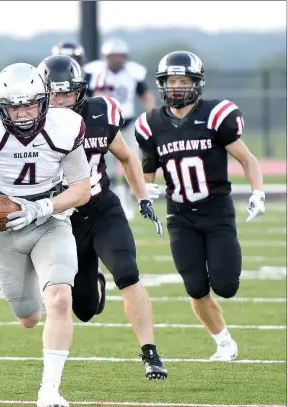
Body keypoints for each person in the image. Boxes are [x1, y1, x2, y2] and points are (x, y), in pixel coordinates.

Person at [0, 62, 91, 407]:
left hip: (50, 220)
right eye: (14, 106)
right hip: (3, 228)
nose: (22, 114)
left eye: (30, 104)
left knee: (60, 298)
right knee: (28, 318)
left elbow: (81, 189)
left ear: (45, 101)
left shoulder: (65, 127)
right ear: (0, 108)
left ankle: (49, 390)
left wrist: (43, 207)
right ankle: (34, 289)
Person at [38, 55, 167, 380]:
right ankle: (94, 283)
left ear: (80, 92)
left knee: (128, 272)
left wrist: (142, 197)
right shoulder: (31, 125)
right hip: (62, 220)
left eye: (67, 93)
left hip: (101, 209)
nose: (61, 100)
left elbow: (125, 156)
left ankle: (150, 352)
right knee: (83, 308)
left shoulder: (100, 112)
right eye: (54, 93)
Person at [135, 50, 266, 361]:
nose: (177, 87)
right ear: (162, 84)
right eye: (171, 81)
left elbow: (247, 159)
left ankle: (222, 330)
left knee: (226, 285)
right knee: (195, 286)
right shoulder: (152, 123)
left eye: (183, 80)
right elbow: (147, 169)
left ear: (196, 83)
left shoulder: (216, 115)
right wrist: (144, 188)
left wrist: (258, 191)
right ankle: (223, 342)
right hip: (180, 216)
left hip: (217, 212)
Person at [84, 38, 156, 220]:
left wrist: (152, 117)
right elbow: (98, 98)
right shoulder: (98, 72)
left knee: (131, 163)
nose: (117, 60)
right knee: (102, 166)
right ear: (105, 57)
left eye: (120, 56)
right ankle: (107, 201)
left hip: (127, 125)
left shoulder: (133, 73)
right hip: (105, 127)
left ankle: (130, 202)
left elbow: (146, 95)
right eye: (113, 56)